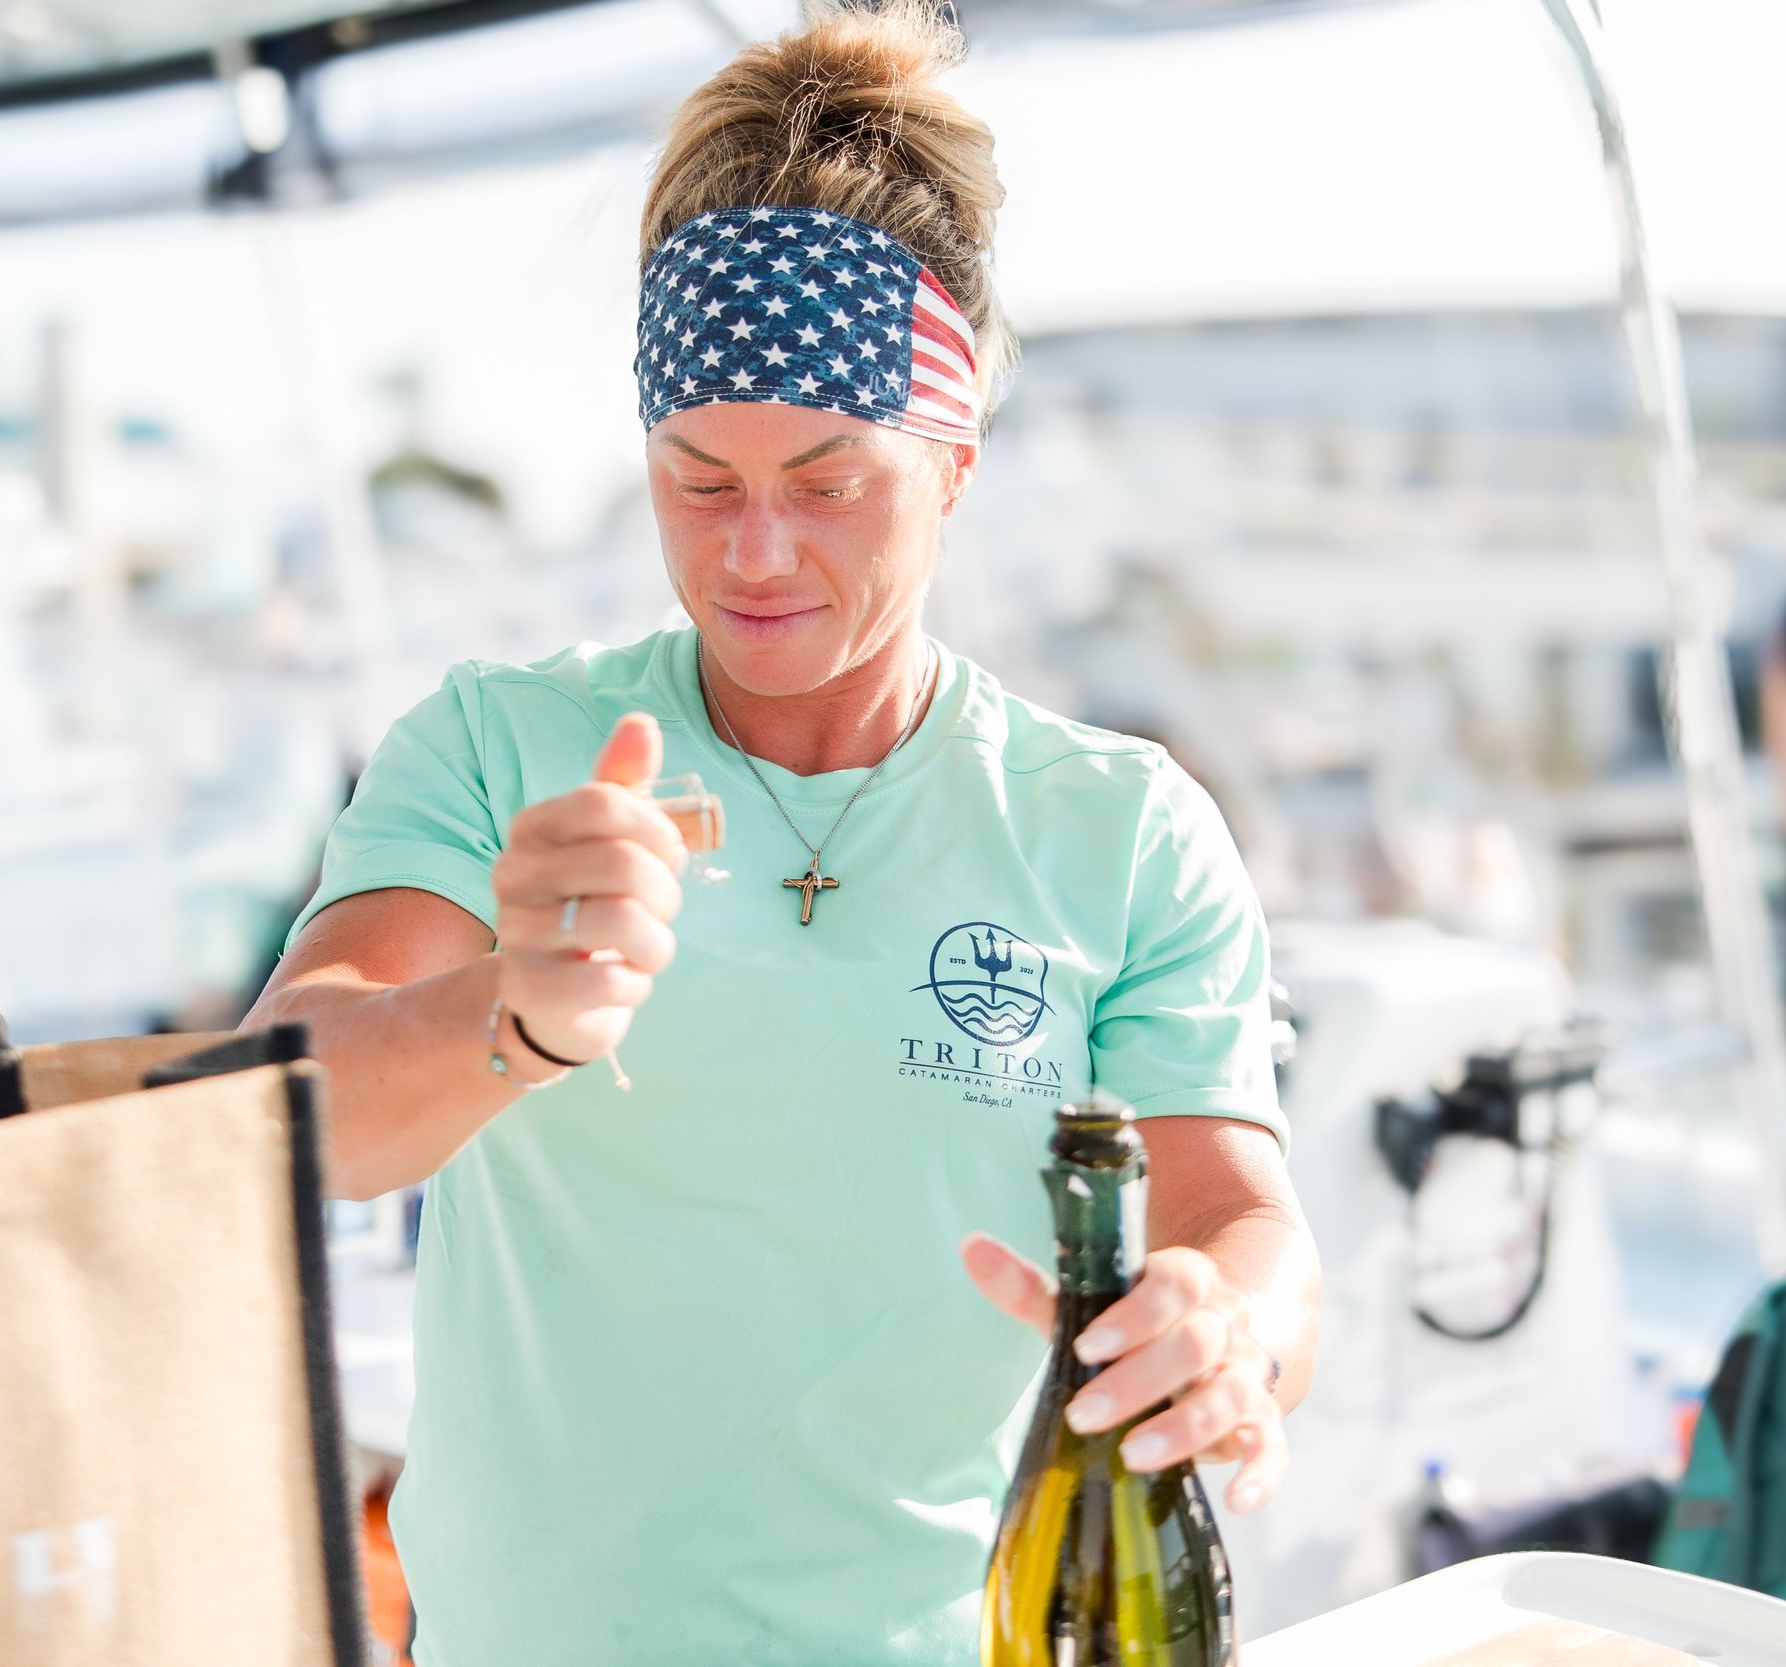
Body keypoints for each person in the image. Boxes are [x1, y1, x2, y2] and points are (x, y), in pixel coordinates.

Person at [246, 7, 1320, 1661]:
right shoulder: (493, 744)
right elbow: (285, 1120)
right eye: (697, 478)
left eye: (829, 483)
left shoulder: (1120, 832)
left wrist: (1227, 1327)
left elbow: (1238, 1220)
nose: (755, 553)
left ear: (951, 461)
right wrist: (511, 1013)